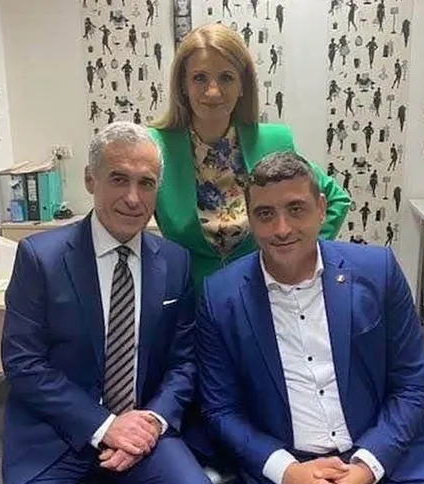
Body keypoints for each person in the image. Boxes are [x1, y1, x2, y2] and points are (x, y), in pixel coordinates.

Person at [197, 151, 424, 484]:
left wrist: (365, 467)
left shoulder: (378, 271)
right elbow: (221, 410)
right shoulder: (220, 296)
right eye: (265, 214)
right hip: (286, 471)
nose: (282, 229)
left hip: (389, 458)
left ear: (321, 208)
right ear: (249, 217)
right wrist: (289, 472)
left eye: (296, 209)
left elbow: (412, 384)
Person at [1, 122, 218, 484]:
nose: (133, 198)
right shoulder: (41, 258)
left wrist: (152, 422)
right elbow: (23, 363)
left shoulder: (175, 262)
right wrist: (104, 425)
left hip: (142, 427)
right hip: (55, 431)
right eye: (119, 179)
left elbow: (184, 363)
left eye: (146, 183)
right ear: (90, 179)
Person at [149, 23, 350, 287]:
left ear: (242, 85)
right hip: (188, 298)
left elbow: (336, 199)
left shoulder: (274, 141)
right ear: (183, 85)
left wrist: (297, 257)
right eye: (199, 78)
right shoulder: (155, 147)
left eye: (226, 78)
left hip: (259, 296)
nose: (213, 91)